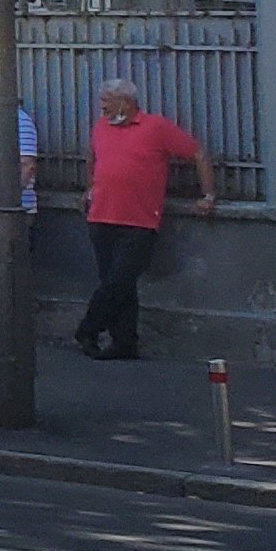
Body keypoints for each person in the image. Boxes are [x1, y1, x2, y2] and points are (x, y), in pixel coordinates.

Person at [74, 75, 202, 361]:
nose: (102, 107)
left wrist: (208, 195)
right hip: (101, 215)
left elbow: (197, 153)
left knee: (118, 280)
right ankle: (124, 343)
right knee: (118, 283)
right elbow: (92, 158)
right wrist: (89, 188)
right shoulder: (100, 128)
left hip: (139, 220)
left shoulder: (155, 126)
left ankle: (88, 328)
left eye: (107, 101)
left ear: (126, 102)